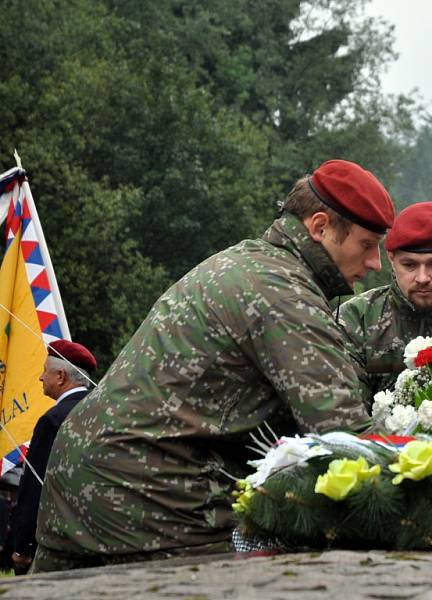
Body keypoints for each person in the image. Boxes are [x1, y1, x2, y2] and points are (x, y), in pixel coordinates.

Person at [31, 159, 395, 572]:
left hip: (82, 479)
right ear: (319, 226)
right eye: (367, 244)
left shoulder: (244, 264)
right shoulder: (284, 296)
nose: (375, 264)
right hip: (151, 497)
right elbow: (343, 436)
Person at [340, 201, 432, 396]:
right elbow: (346, 409)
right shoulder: (357, 318)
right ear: (392, 260)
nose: (422, 278)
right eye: (410, 265)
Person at [10, 340, 96, 574]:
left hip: (58, 543)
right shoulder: (103, 411)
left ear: (60, 376)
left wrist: (23, 546)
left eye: (44, 371)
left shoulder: (53, 420)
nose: (40, 377)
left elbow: (35, 486)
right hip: (101, 535)